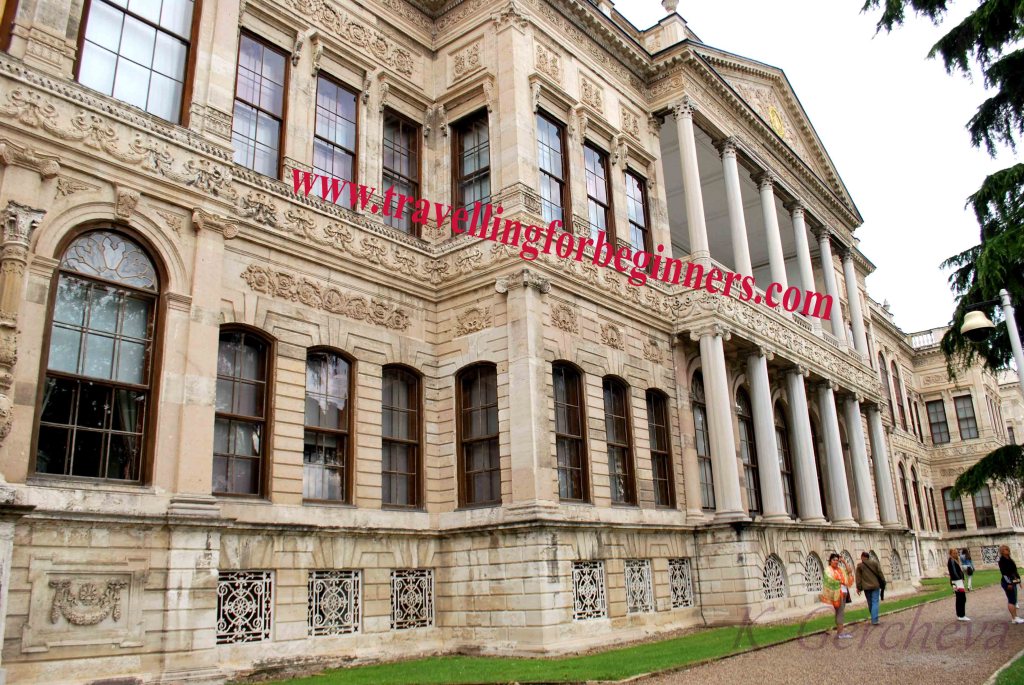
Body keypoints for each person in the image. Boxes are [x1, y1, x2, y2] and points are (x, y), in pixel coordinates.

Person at [822, 553, 854, 638]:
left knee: (839, 612)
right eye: (834, 560)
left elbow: (849, 571)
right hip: (837, 594)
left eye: (837, 560)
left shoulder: (840, 569)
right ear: (830, 561)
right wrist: (841, 582)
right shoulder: (828, 569)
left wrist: (844, 561)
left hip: (843, 593)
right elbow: (829, 580)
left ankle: (839, 632)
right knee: (840, 612)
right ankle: (840, 633)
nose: (836, 561)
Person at [856, 551, 886, 625]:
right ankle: (874, 620)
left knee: (870, 603)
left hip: (866, 587)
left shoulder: (860, 566)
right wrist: (883, 582)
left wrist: (859, 588)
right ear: (868, 557)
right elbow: (880, 573)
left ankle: (874, 619)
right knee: (875, 602)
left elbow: (858, 578)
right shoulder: (875, 563)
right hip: (875, 586)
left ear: (862, 557)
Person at [998, 545, 1024, 624]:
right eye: (1005, 549)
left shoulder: (1010, 559)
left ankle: (1015, 617)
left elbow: (1015, 571)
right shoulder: (1002, 561)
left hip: (1013, 581)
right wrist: (1009, 583)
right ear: (1002, 551)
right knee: (1011, 600)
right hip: (1007, 583)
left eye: (1008, 549)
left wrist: (1019, 581)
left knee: (1014, 599)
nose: (1007, 550)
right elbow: (1004, 573)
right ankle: (1014, 618)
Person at [948, 548, 970, 621]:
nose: (956, 554)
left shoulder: (955, 560)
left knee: (960, 598)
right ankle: (961, 615)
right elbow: (954, 572)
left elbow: (959, 571)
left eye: (956, 553)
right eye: (954, 553)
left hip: (957, 581)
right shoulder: (951, 561)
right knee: (961, 598)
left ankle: (960, 615)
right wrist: (960, 579)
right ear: (951, 554)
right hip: (956, 581)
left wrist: (962, 578)